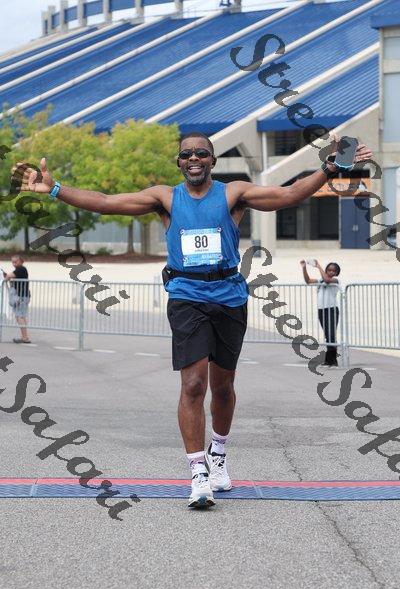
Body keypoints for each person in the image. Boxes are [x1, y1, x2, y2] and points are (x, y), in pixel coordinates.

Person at [14, 132, 372, 508]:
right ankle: (198, 471)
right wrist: (56, 189)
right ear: (179, 162)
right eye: (187, 154)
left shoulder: (233, 194)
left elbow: (289, 195)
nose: (194, 158)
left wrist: (330, 168)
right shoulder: (166, 198)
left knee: (223, 387)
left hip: (229, 297)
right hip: (187, 297)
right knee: (193, 384)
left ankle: (218, 453)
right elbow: (105, 203)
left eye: (202, 153)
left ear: (213, 161)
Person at [300, 259, 341, 366]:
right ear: (326, 271)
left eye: (333, 271)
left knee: (331, 334)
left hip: (331, 309)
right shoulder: (320, 281)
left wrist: (318, 266)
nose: (331, 272)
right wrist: (304, 268)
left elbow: (327, 280)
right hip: (321, 310)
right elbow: (308, 280)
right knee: (327, 335)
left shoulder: (335, 281)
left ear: (337, 273)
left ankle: (332, 360)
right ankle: (329, 360)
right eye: (329, 270)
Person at [3, 255, 31, 344]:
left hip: (21, 297)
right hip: (23, 296)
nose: (14, 264)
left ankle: (25, 338)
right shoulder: (20, 270)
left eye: (16, 262)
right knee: (21, 316)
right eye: (12, 262)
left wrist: (5, 277)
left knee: (20, 316)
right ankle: (24, 336)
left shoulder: (20, 269)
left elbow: (8, 277)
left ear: (21, 261)